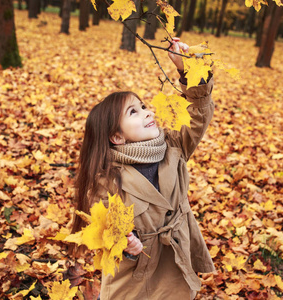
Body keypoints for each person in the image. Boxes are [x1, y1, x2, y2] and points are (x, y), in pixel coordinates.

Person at [71, 38, 215, 299]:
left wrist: (189, 72)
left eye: (144, 107)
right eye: (134, 112)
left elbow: (197, 113)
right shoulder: (107, 178)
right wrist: (125, 241)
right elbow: (102, 227)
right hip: (136, 273)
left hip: (175, 259)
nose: (147, 113)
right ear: (117, 137)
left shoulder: (174, 145)